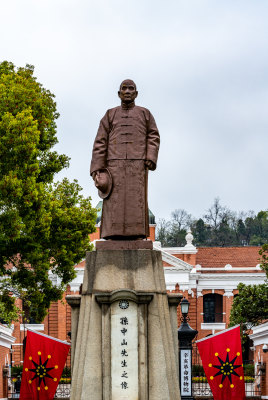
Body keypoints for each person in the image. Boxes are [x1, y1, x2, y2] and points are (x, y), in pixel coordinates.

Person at [90, 79, 160, 240]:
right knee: (114, 204)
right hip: (113, 166)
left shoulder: (145, 113)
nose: (127, 91)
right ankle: (112, 235)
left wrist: (150, 156)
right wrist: (97, 169)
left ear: (136, 93)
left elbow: (153, 136)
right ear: (119, 93)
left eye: (131, 89)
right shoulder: (110, 114)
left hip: (138, 165)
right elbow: (100, 141)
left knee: (136, 202)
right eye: (124, 88)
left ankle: (136, 235)